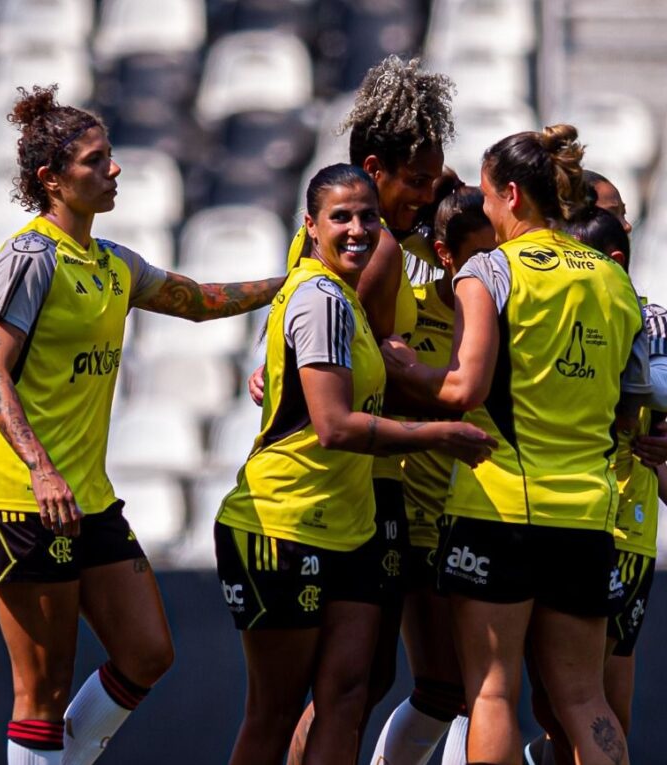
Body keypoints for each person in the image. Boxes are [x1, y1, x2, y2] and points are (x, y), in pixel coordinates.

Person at [0, 85, 287, 765]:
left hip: (88, 497)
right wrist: (40, 467)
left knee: (146, 651)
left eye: (111, 157)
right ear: (52, 179)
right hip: (21, 498)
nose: (114, 170)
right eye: (95, 160)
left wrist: (289, 283)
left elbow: (197, 300)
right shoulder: (31, 259)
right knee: (41, 692)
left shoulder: (112, 264)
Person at [382, 125, 650, 765]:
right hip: (588, 514)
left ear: (510, 195)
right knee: (584, 699)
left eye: (485, 195)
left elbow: (463, 391)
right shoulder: (612, 280)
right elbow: (637, 398)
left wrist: (401, 367)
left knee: (493, 694)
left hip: (499, 507)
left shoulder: (489, 271)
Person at [214, 164, 496, 765]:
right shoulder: (319, 298)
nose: (359, 229)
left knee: (350, 693)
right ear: (310, 227)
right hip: (283, 523)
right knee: (276, 711)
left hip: (349, 525)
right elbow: (334, 426)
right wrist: (437, 432)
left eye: (368, 215)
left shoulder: (343, 297)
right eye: (340, 217)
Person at [246, 55, 456, 761]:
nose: (428, 196)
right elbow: (366, 382)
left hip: (348, 484)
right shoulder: (381, 248)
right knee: (355, 684)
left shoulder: (325, 231)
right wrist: (444, 388)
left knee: (351, 684)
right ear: (375, 165)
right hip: (372, 483)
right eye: (418, 181)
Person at [524, 202, 667, 765]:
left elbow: (658, 395)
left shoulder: (648, 321)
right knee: (551, 703)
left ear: (610, 261)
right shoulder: (559, 320)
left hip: (620, 533)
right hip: (557, 516)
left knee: (602, 705)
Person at [369, 185, 496, 765]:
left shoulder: (508, 318)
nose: (492, 271)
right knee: (445, 688)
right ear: (445, 255)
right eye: (478, 257)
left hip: (483, 516)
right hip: (407, 517)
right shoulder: (408, 304)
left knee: (469, 690)